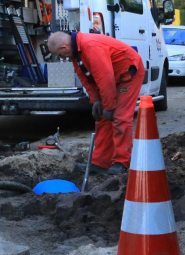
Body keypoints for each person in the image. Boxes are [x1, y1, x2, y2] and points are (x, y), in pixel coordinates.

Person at [46, 31, 144, 174]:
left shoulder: (91, 46)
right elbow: (86, 78)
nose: (62, 58)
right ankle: (100, 163)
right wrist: (96, 100)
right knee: (102, 119)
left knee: (120, 117)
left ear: (64, 48)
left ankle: (121, 162)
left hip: (128, 74)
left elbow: (105, 78)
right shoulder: (76, 53)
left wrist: (109, 107)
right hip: (113, 78)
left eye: (60, 55)